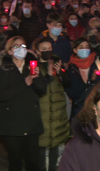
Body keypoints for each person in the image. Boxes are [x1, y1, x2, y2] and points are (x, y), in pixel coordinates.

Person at [0, 36, 47, 171]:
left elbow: (42, 89)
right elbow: (1, 95)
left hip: (31, 123)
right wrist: (24, 83)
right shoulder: (3, 69)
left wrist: (35, 78)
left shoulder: (32, 66)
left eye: (23, 46)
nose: (21, 49)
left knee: (33, 162)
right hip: (12, 123)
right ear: (10, 51)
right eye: (16, 46)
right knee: (15, 161)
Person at [33, 37, 71, 171]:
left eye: (49, 49)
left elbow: (67, 84)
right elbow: (36, 88)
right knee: (41, 146)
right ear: (37, 51)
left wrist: (60, 73)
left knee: (55, 143)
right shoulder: (34, 67)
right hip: (42, 112)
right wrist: (47, 75)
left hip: (57, 112)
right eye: (44, 49)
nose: (47, 52)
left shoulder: (57, 64)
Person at [65, 38, 100, 118]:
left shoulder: (98, 62)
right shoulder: (72, 68)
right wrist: (89, 81)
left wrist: (97, 79)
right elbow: (72, 93)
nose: (85, 49)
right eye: (81, 47)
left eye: (87, 47)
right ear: (75, 50)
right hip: (81, 108)